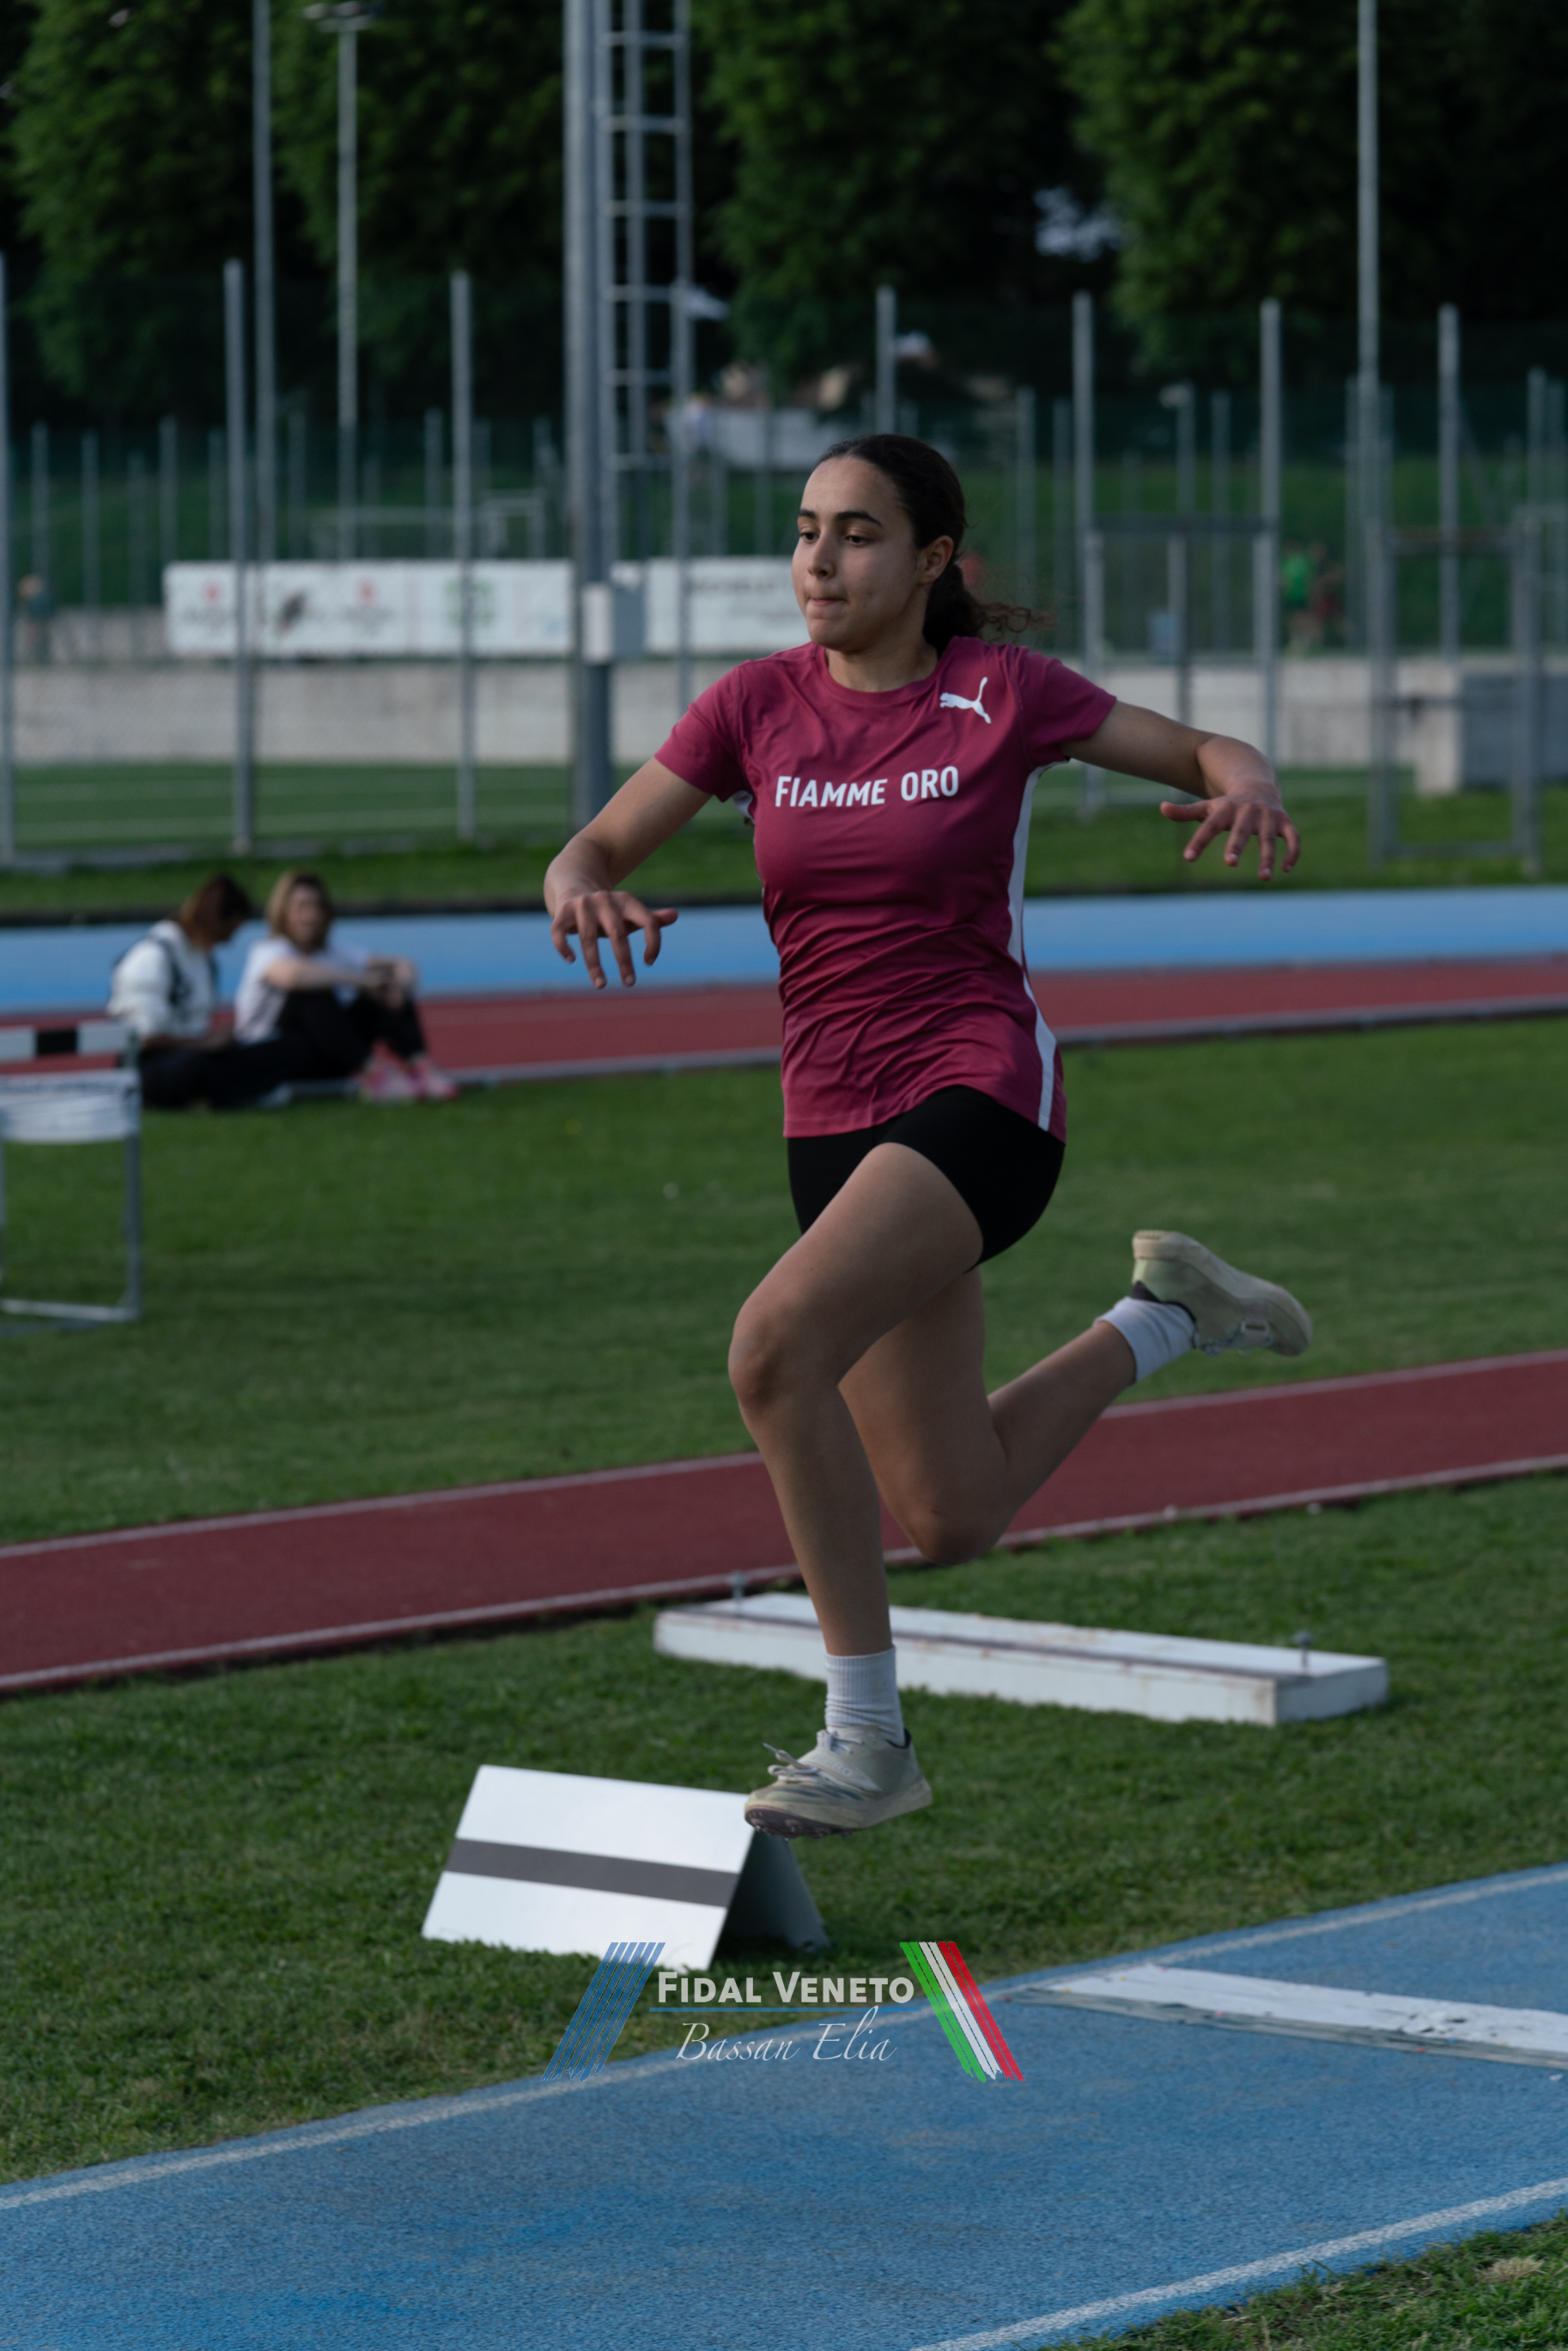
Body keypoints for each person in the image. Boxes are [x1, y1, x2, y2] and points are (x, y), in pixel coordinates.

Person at [544, 433, 1312, 1844]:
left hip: (979, 1091)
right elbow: (589, 847)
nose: (819, 560)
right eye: (805, 530)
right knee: (952, 1513)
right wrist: (579, 885)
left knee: (772, 1349)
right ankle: (1165, 1315)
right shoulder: (751, 706)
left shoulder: (1001, 692)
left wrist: (1245, 778)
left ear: (930, 559)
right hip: (827, 1117)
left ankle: (867, 1737)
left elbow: (1206, 747)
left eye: (856, 533)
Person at [233, 869, 458, 1102]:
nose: (311, 916)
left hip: (324, 1056)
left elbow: (403, 965)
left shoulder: (332, 953)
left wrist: (399, 987)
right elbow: (294, 976)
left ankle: (421, 1066)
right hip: (273, 1057)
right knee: (313, 993)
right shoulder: (267, 951)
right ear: (283, 911)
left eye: (317, 907)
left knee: (384, 988)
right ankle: (375, 1073)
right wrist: (362, 980)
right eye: (301, 907)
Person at [109, 873, 309, 1110]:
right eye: (230, 930)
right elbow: (143, 1038)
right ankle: (236, 1095)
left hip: (197, 1053)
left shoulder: (203, 958)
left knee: (289, 1047)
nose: (229, 940)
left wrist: (215, 1041)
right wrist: (204, 1043)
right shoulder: (152, 956)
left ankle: (221, 1094)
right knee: (196, 1067)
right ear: (216, 920)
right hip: (152, 1065)